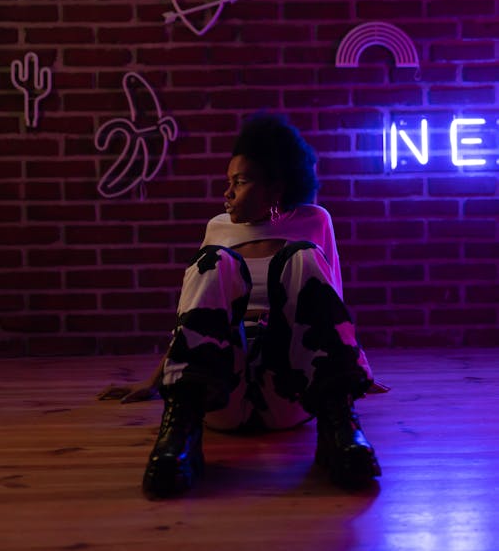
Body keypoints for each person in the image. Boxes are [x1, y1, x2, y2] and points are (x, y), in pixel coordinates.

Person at [99, 113, 382, 497]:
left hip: (289, 389)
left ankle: (341, 434)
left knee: (303, 257)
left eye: (241, 181)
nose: (227, 193)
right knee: (214, 261)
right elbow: (196, 314)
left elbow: (332, 302)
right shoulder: (218, 228)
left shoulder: (315, 221)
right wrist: (158, 379)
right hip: (220, 388)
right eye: (228, 182)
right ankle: (179, 439)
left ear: (275, 188)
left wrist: (350, 372)